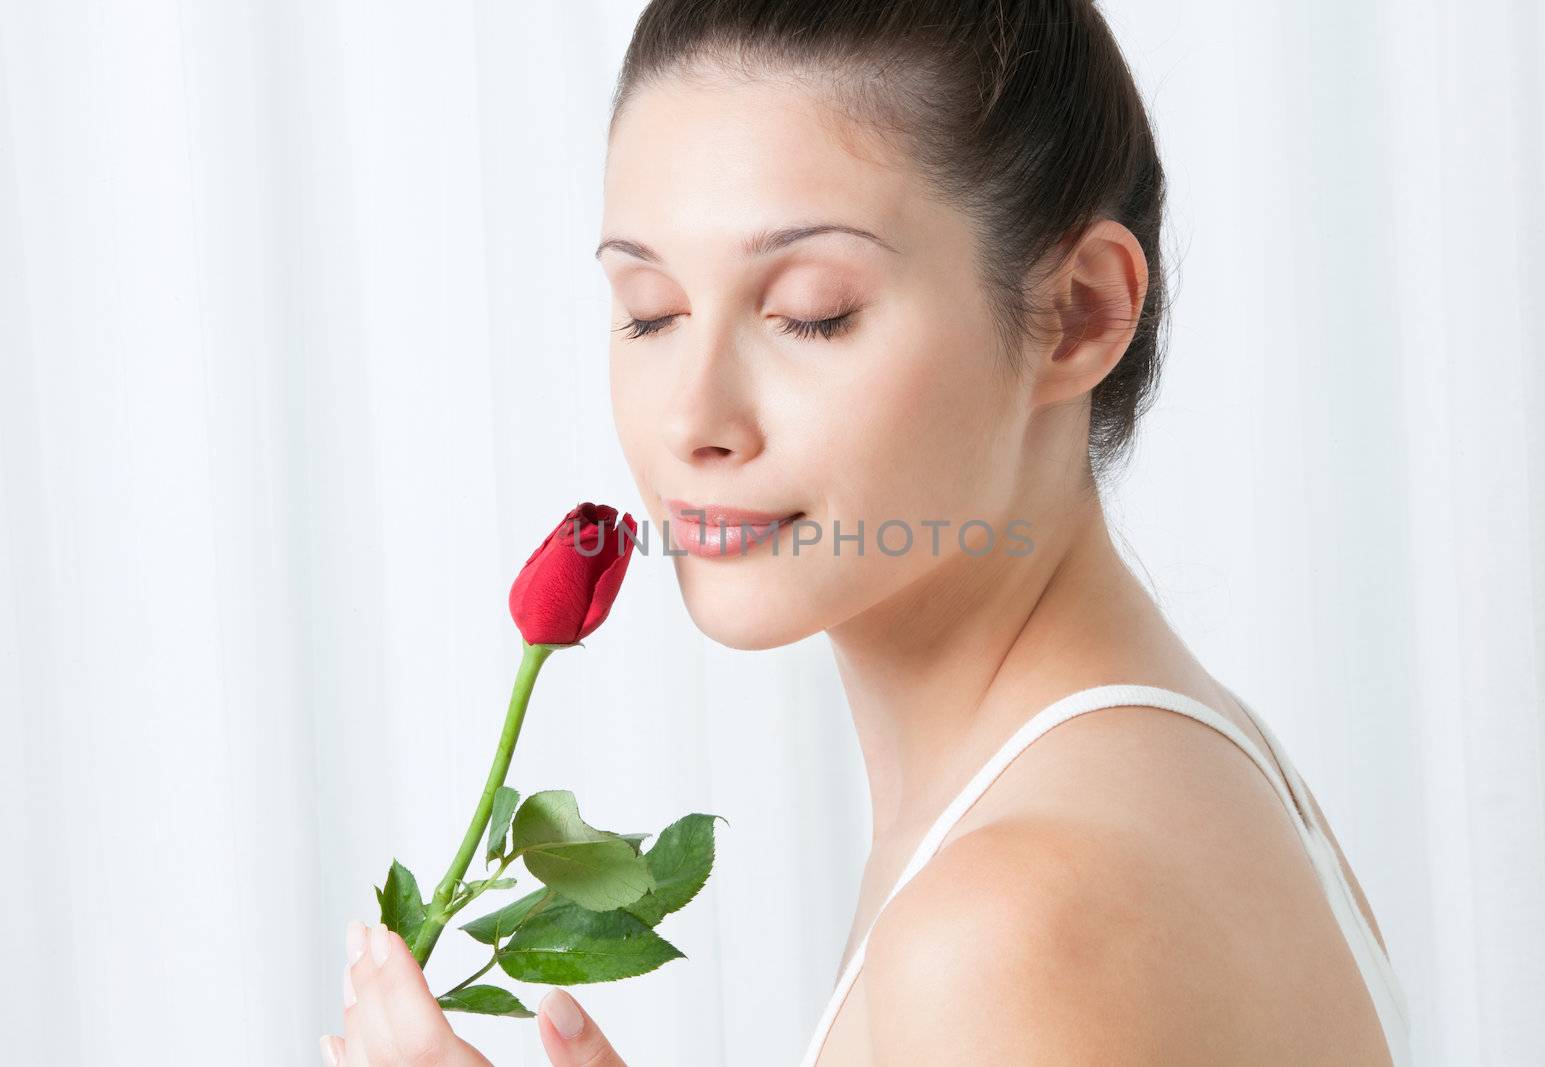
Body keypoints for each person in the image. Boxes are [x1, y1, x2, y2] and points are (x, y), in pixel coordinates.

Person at [320, 1, 1410, 1064]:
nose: (693, 418)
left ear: (1079, 310)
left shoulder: (1010, 921)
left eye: (811, 310)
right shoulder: (1163, 769)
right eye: (651, 310)